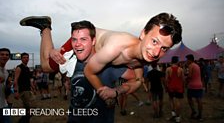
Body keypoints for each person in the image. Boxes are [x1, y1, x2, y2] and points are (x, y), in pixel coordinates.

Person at [20, 12, 182, 101]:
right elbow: (89, 71)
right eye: (154, 41)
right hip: (86, 40)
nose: (156, 52)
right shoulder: (116, 47)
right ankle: (45, 27)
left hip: (97, 52)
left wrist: (117, 91)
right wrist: (105, 91)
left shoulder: (144, 55)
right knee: (47, 67)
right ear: (143, 33)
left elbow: (138, 81)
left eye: (164, 48)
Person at [14, 52, 35, 123]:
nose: (26, 59)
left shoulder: (27, 68)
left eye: (27, 57)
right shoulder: (19, 68)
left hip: (28, 90)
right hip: (23, 91)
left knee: (30, 108)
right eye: (24, 58)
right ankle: (23, 121)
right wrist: (16, 91)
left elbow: (28, 79)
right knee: (28, 109)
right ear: (21, 59)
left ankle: (25, 120)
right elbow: (15, 80)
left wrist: (33, 87)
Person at [165, 56, 185, 123]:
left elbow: (166, 79)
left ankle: (173, 114)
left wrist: (166, 87)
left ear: (172, 61)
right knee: (178, 102)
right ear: (177, 61)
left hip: (171, 87)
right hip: (179, 87)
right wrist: (183, 87)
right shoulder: (181, 69)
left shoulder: (168, 69)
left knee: (171, 100)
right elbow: (183, 80)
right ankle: (178, 117)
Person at [185, 54, 203, 121]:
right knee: (199, 100)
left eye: (187, 59)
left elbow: (189, 76)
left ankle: (193, 110)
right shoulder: (197, 65)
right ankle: (200, 115)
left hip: (192, 85)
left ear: (190, 60)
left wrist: (185, 79)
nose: (186, 61)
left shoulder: (191, 65)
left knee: (189, 98)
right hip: (199, 85)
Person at [0, 48, 12, 123]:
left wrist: (8, 87)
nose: (4, 56)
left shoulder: (6, 72)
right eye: (2, 54)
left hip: (4, 104)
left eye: (7, 55)